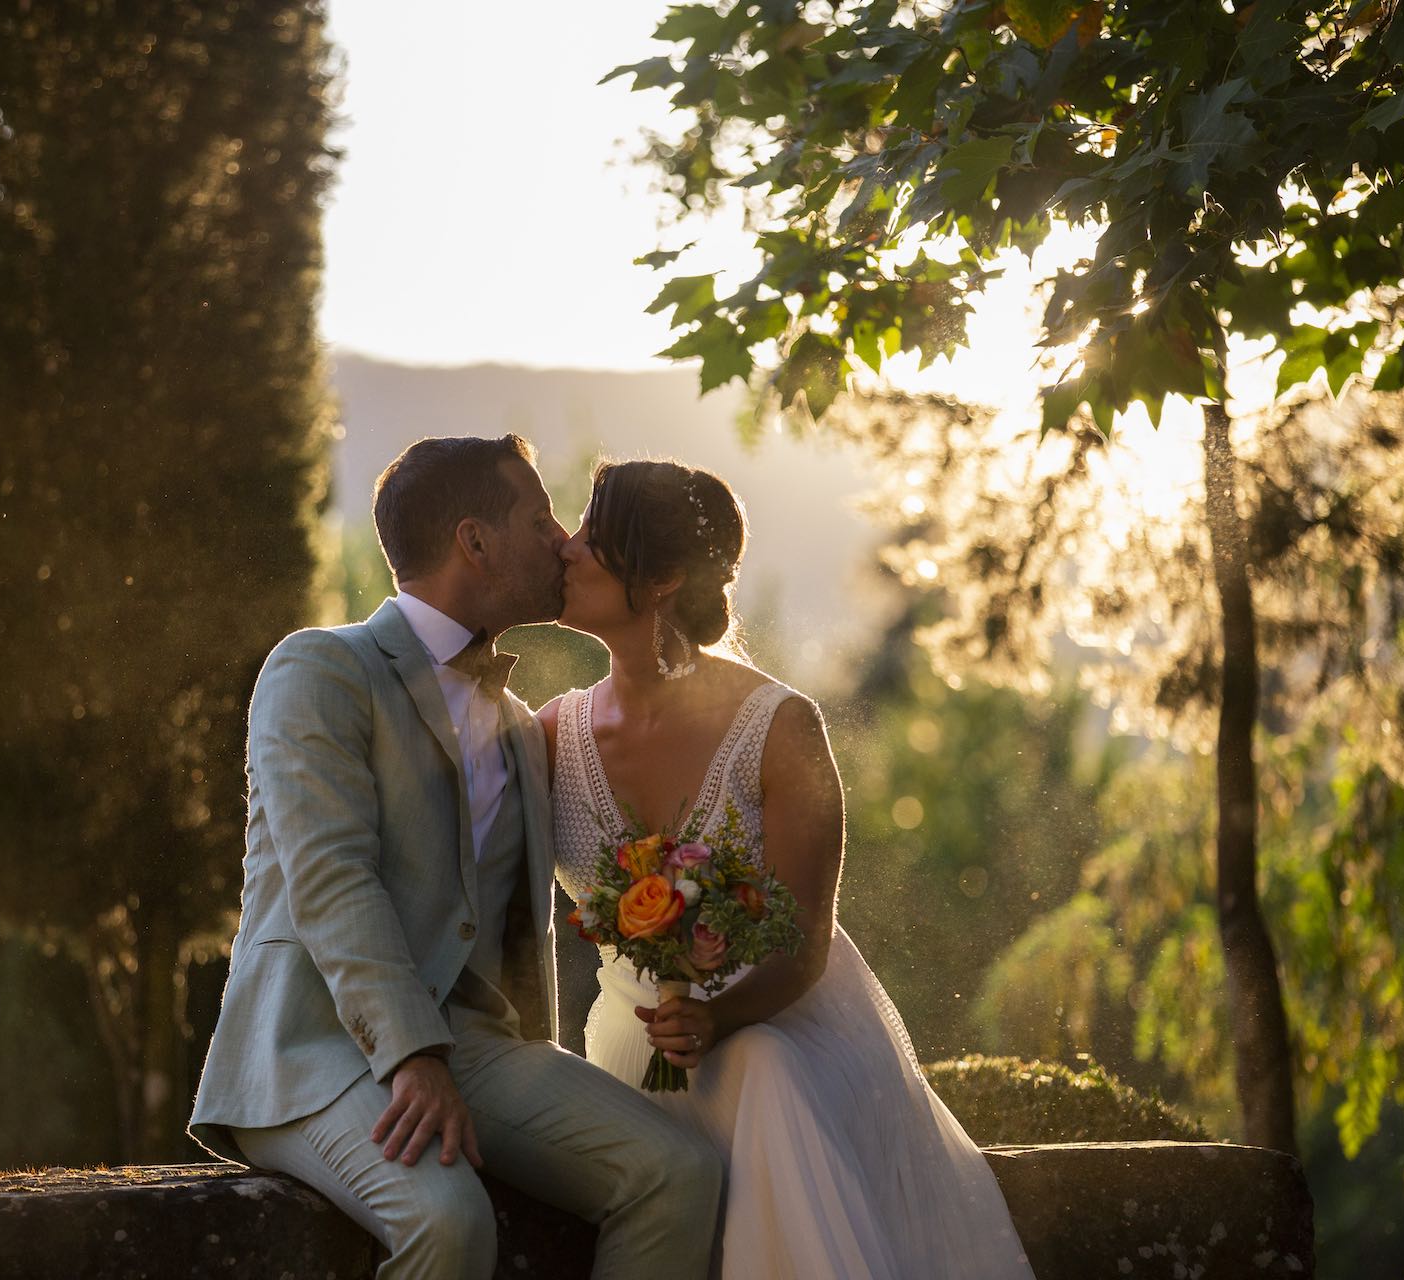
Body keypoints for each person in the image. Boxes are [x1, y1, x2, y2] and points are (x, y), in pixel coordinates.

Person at [190, 436, 722, 1280]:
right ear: (475, 542)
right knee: (448, 1222)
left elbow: (521, 926)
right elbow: (332, 879)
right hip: (318, 1045)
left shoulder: (517, 721)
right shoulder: (320, 669)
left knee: (681, 1173)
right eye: (540, 518)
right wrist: (412, 1056)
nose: (562, 540)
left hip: (478, 1049)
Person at [543, 459, 1038, 1279]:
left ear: (662, 578)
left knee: (763, 1074)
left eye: (595, 538)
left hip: (784, 1031)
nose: (568, 548)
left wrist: (716, 1020)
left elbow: (804, 945)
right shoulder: (552, 734)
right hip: (635, 1041)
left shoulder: (779, 728)